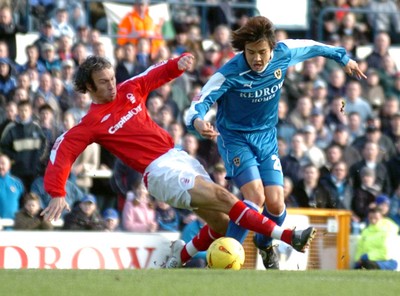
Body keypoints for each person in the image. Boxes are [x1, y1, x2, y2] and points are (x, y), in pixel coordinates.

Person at [40, 53, 317, 269]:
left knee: (221, 224)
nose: (112, 85)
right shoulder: (90, 123)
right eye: (103, 82)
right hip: (158, 173)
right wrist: (57, 191)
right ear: (89, 87)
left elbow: (154, 74)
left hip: (177, 157)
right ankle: (288, 237)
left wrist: (177, 64)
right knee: (224, 197)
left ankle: (180, 255)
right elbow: (62, 150)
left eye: (112, 78)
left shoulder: (129, 89)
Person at [184, 15, 366, 269]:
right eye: (250, 53)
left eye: (261, 52)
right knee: (255, 196)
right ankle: (224, 262)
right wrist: (199, 122)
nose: (256, 58)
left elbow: (316, 46)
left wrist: (344, 58)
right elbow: (197, 104)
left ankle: (264, 243)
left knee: (277, 203)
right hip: (235, 138)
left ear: (272, 48)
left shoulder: (284, 53)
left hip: (266, 137)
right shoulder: (229, 73)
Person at [0, 153, 24, 220]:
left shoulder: (17, 183)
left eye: (3, 163)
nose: (0, 166)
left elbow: (23, 202)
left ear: (9, 166)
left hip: (14, 224)